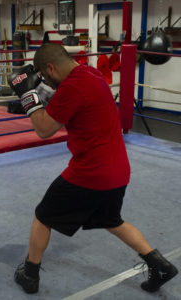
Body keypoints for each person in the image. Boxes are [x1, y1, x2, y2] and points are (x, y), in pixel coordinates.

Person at [9, 43, 178, 294]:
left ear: (51, 68)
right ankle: (159, 264)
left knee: (43, 216)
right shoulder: (92, 75)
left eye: (45, 76)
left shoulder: (72, 88)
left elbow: (44, 129)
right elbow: (65, 102)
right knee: (112, 221)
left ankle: (30, 275)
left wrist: (27, 96)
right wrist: (40, 91)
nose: (46, 81)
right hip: (118, 170)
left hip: (90, 172)